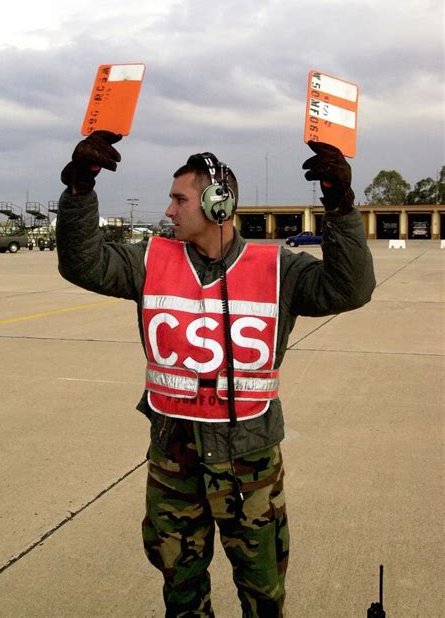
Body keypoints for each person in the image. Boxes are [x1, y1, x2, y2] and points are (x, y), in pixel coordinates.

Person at [57, 131, 375, 618]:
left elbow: (350, 288)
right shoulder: (150, 261)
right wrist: (80, 191)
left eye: (179, 199)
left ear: (217, 203)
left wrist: (340, 206)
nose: (169, 211)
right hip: (173, 457)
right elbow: (82, 263)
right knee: (180, 588)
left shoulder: (276, 269)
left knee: (263, 590)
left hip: (249, 460)